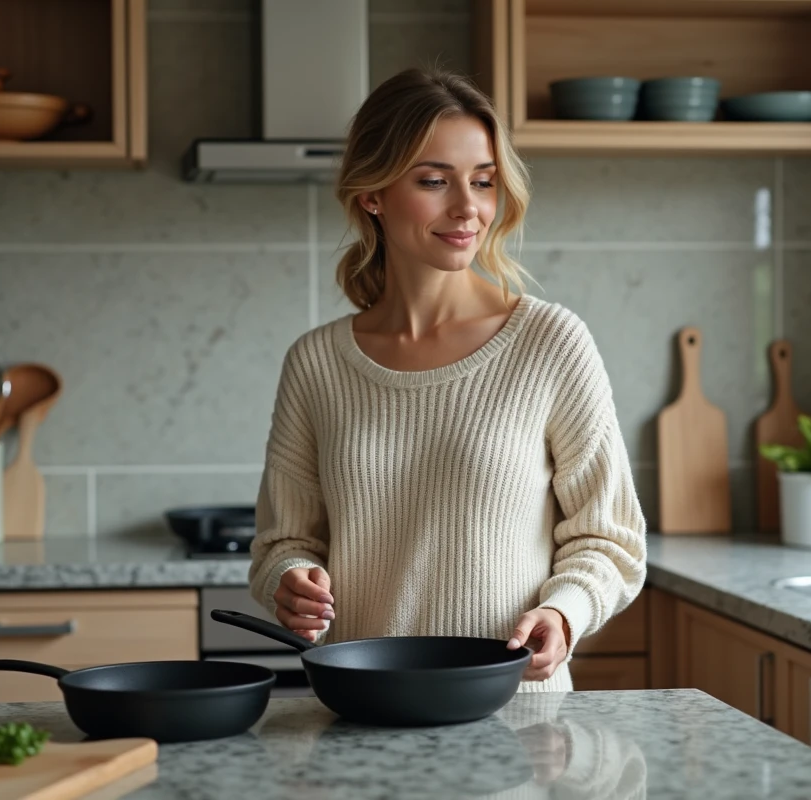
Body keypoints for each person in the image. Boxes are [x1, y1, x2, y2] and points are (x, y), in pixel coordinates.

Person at [247, 67, 646, 692]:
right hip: (366, 714)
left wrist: (564, 613)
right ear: (372, 195)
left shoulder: (550, 343)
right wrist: (290, 578)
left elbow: (609, 537)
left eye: (483, 182)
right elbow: (285, 540)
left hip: (518, 718)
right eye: (434, 181)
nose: (469, 208)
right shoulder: (317, 364)